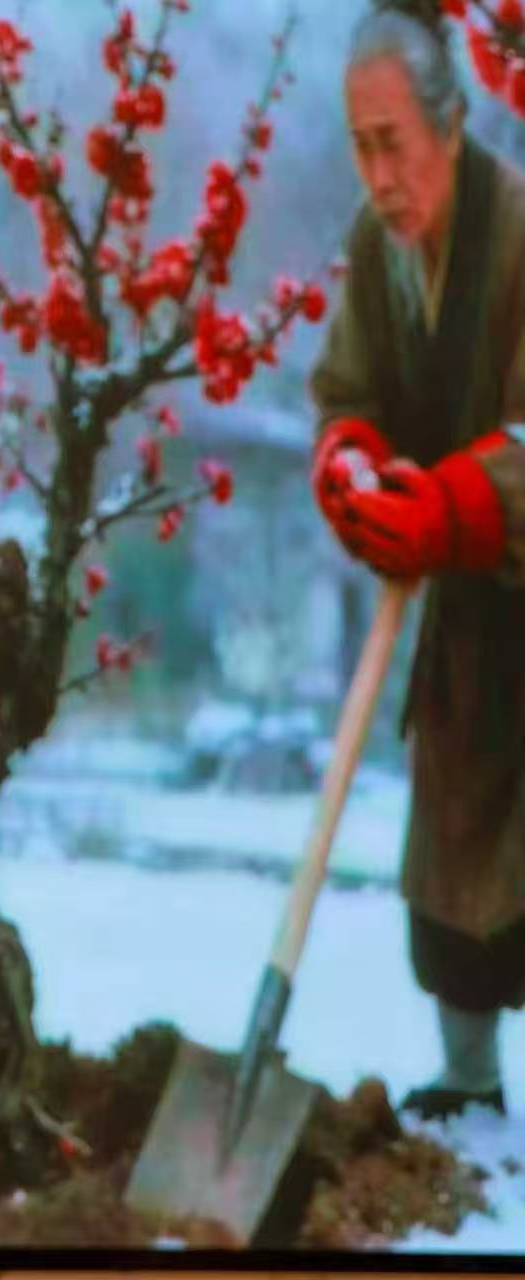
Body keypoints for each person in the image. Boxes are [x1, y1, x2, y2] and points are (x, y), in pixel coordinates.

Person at [309, 0, 525, 1119]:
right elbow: (348, 390)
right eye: (361, 146)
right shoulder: (373, 246)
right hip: (460, 614)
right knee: (452, 832)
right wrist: (352, 467)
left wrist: (456, 505)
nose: (380, 175)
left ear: (449, 124)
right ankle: (470, 1078)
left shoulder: (523, 230)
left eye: (394, 143)